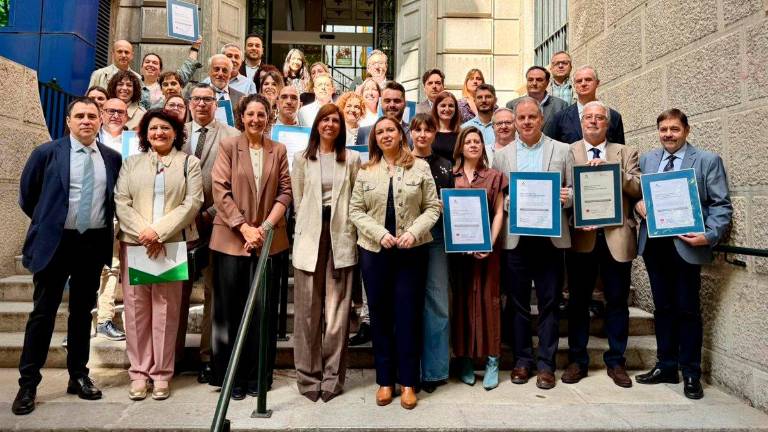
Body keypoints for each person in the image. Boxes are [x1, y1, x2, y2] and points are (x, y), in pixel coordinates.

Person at [13, 97, 122, 415]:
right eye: (80, 116)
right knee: (42, 315)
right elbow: (27, 195)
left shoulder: (112, 158)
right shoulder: (47, 153)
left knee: (81, 314)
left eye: (92, 116)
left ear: (100, 121)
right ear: (69, 121)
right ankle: (28, 385)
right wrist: (51, 221)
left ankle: (79, 376)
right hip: (55, 244)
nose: (87, 121)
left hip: (91, 244)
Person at [634, 109, 732, 400]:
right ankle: (666, 365)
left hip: (688, 245)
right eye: (663, 129)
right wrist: (639, 204)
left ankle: (691, 373)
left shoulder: (706, 160)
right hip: (654, 245)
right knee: (662, 308)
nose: (668, 134)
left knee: (688, 310)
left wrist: (710, 235)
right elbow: (637, 194)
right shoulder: (649, 160)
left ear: (686, 131)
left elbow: (721, 205)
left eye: (674, 129)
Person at [349, 117, 441, 410]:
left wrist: (414, 232)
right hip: (375, 252)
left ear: (401, 134)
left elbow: (433, 206)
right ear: (374, 138)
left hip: (411, 253)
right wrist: (380, 233)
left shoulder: (420, 166)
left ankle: (409, 383)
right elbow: (355, 211)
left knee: (408, 316)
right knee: (380, 316)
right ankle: (385, 381)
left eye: (390, 130)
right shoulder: (366, 171)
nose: (386, 135)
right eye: (380, 132)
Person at [115, 109, 203, 400]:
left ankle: (162, 374)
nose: (159, 133)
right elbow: (121, 201)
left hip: (171, 245)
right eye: (153, 128)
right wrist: (145, 233)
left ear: (175, 132)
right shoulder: (132, 163)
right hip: (136, 243)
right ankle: (139, 373)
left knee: (166, 312)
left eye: (165, 128)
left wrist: (160, 232)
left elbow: (192, 203)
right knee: (137, 311)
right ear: (145, 133)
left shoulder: (189, 163)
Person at [210, 94, 292, 399]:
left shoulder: (279, 149)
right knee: (230, 311)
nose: (256, 119)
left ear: (269, 117)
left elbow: (285, 192)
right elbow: (220, 190)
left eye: (261, 114)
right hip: (232, 238)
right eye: (250, 114)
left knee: (263, 312)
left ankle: (259, 377)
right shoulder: (229, 146)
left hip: (268, 241)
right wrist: (244, 227)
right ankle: (231, 378)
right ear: (242, 118)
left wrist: (265, 227)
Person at [491, 97, 572, 390]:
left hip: (550, 239)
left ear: (541, 119)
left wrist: (568, 197)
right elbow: (496, 196)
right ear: (514, 122)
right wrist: (507, 201)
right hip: (516, 239)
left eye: (531, 117)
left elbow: (575, 189)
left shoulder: (562, 150)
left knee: (550, 303)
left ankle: (546, 366)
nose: (526, 122)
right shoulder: (501, 156)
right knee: (517, 303)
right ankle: (523, 361)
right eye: (521, 118)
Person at [562, 101, 641, 389]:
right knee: (578, 302)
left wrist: (614, 172)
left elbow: (638, 187)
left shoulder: (625, 152)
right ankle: (577, 360)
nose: (594, 122)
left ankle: (617, 361)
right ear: (582, 123)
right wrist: (572, 201)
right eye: (589, 118)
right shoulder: (568, 151)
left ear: (608, 124)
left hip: (616, 236)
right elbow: (563, 191)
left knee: (618, 301)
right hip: (582, 236)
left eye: (599, 118)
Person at [291, 104, 362, 402]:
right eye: (325, 120)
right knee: (308, 311)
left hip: (341, 235)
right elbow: (298, 199)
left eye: (335, 120)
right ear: (316, 125)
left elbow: (357, 198)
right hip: (310, 235)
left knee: (337, 312)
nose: (330, 124)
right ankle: (308, 377)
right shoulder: (300, 158)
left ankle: (333, 377)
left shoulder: (353, 159)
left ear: (341, 127)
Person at [179, 83, 239, 383]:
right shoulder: (176, 132)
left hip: (217, 222)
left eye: (208, 100)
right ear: (189, 103)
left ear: (216, 104)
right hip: (178, 227)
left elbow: (235, 183)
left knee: (214, 293)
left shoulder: (231, 135)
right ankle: (173, 354)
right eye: (197, 99)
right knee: (177, 291)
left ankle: (208, 356)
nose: (202, 104)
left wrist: (211, 213)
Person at [451, 126, 507, 391]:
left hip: (488, 252)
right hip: (459, 254)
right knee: (461, 302)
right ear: (460, 146)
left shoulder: (495, 176)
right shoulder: (451, 176)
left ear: (483, 147)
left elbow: (498, 213)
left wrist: (490, 242)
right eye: (468, 141)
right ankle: (464, 359)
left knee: (489, 301)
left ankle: (492, 360)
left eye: (477, 141)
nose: (473, 145)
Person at [408, 114, 453, 393]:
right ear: (411, 133)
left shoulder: (446, 166)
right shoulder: (402, 161)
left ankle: (435, 370)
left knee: (437, 302)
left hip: (437, 237)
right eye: (418, 130)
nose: (422, 134)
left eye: (428, 130)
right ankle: (409, 367)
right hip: (408, 236)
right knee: (408, 303)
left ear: (435, 134)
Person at [94, 99, 131, 342]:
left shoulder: (135, 141)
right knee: (87, 269)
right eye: (110, 111)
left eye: (121, 112)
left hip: (123, 211)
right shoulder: (90, 138)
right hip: (93, 212)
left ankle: (105, 318)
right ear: (101, 114)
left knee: (113, 266)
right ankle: (84, 321)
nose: (115, 115)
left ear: (127, 116)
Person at [545, 65, 625, 144]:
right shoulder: (560, 118)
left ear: (597, 83)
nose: (583, 84)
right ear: (574, 86)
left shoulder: (614, 117)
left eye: (588, 80)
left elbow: (619, 152)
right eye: (579, 81)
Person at [139, 41, 203, 109]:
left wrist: (195, 48)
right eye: (147, 62)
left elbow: (189, 66)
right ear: (141, 67)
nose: (150, 64)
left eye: (155, 63)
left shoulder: (170, 80)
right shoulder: (133, 84)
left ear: (160, 69)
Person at [506, 66, 568, 130]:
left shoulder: (561, 105)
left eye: (539, 80)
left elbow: (564, 132)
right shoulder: (512, 105)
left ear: (547, 83)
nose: (534, 83)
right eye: (530, 80)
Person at [355, 81, 412, 148]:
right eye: (387, 101)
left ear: (405, 103)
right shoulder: (364, 133)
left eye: (396, 101)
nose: (392, 105)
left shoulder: (414, 131)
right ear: (381, 103)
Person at [461, 84, 497, 156]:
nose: (483, 100)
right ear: (474, 101)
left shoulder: (502, 127)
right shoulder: (464, 128)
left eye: (488, 97)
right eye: (480, 97)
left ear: (495, 100)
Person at [430, 91, 461, 162]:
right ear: (436, 108)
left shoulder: (461, 134)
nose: (447, 109)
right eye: (443, 105)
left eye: (451, 106)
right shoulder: (429, 132)